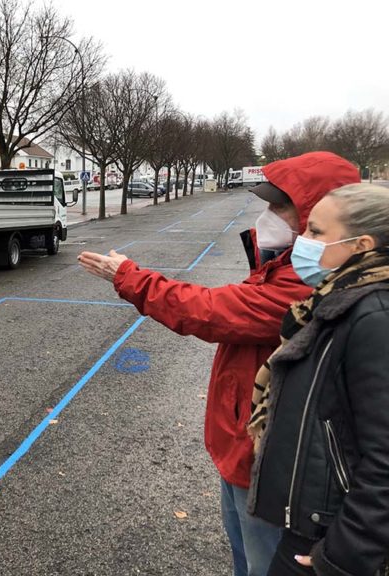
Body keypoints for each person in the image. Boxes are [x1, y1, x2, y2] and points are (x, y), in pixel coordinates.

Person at [77, 151, 360, 576]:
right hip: (245, 447)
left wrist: (130, 277)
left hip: (271, 460)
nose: (268, 215)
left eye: (280, 206)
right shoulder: (287, 267)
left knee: (263, 562)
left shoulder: (310, 283)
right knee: (245, 557)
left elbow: (211, 311)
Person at [247, 183, 389, 576]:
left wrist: (344, 555)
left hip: (326, 538)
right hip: (310, 521)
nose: (303, 242)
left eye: (316, 232)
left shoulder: (373, 315)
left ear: (361, 245)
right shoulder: (330, 299)